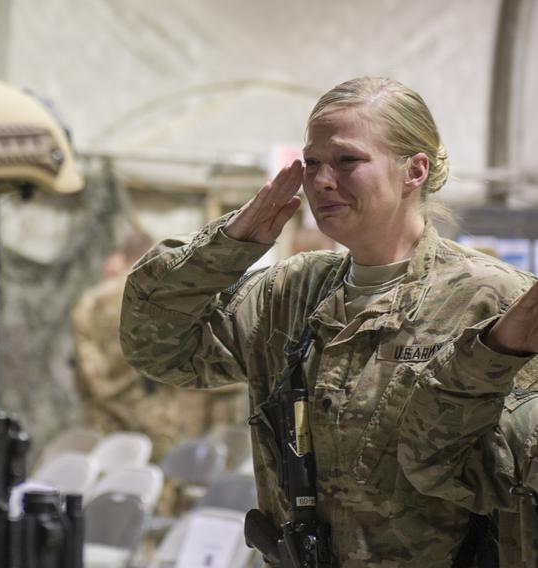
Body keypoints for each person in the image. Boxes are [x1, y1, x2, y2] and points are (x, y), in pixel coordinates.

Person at [120, 76, 538, 566]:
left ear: (415, 171)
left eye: (347, 161)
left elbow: (511, 482)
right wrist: (226, 247)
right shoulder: (289, 293)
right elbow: (160, 348)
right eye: (312, 163)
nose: (321, 181)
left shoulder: (495, 301)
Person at [72, 232, 244, 462]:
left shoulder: (89, 302)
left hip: (106, 417)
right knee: (165, 477)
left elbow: (86, 371)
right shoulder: (159, 295)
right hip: (160, 409)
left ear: (118, 257)